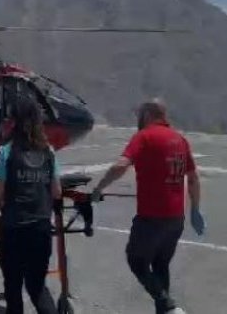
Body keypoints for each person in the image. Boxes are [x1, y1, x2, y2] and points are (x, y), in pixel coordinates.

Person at [91, 99, 205, 314]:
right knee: (161, 265)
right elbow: (193, 178)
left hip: (152, 218)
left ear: (148, 114)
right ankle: (165, 310)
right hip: (175, 219)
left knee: (136, 260)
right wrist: (195, 210)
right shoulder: (180, 139)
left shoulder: (144, 137)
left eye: (140, 114)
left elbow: (120, 165)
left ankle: (169, 306)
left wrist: (99, 188)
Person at [0, 95, 59, 314]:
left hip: (14, 229)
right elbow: (56, 191)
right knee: (37, 287)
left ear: (15, 121)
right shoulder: (48, 152)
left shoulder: (6, 152)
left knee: (13, 289)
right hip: (41, 228)